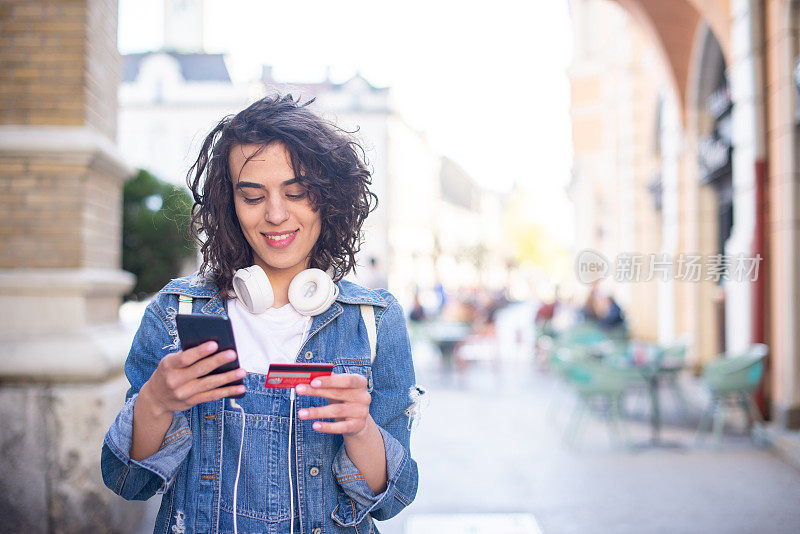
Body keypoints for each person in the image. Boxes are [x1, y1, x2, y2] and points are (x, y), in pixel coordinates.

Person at [101, 95, 419, 534]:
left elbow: (393, 499)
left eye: (297, 193)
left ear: (329, 200)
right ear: (228, 204)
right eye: (252, 196)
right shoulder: (177, 312)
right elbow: (126, 481)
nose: (275, 214)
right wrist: (155, 402)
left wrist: (360, 430)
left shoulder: (374, 322)